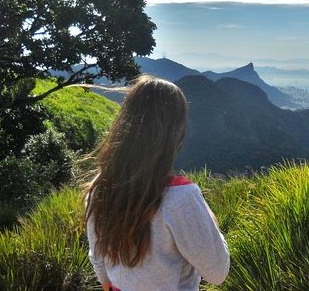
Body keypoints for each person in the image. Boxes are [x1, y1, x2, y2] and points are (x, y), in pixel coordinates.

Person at [84, 75, 230, 291]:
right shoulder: (181, 198)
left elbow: (99, 263)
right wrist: (211, 221)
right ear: (174, 132)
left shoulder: (100, 189)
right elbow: (217, 272)